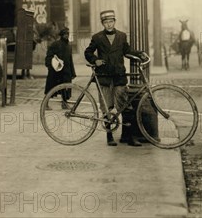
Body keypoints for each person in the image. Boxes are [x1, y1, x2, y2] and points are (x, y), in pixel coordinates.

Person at [84, 10, 144, 147]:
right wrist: (95, 60)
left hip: (119, 76)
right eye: (106, 22)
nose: (109, 24)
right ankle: (109, 136)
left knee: (125, 106)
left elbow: (127, 52)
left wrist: (140, 54)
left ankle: (129, 137)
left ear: (114, 22)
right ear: (102, 24)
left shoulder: (122, 36)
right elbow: (87, 52)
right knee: (107, 107)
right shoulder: (97, 37)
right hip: (104, 77)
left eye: (111, 21)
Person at [44, 27, 76, 109]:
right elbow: (49, 56)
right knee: (51, 87)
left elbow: (70, 59)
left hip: (66, 71)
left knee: (65, 88)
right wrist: (50, 66)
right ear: (61, 35)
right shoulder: (55, 44)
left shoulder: (69, 46)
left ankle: (64, 103)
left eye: (67, 34)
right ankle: (45, 104)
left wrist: (72, 72)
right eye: (65, 34)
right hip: (56, 71)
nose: (66, 36)